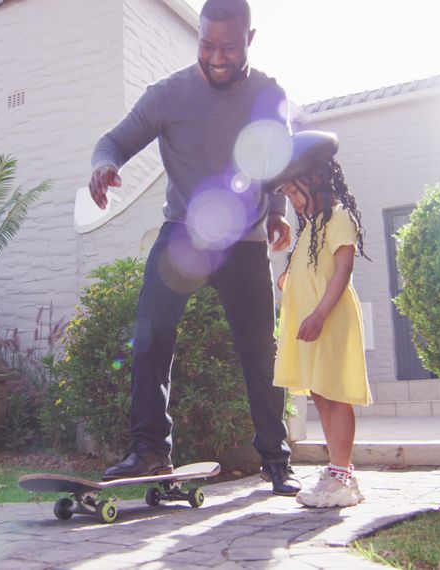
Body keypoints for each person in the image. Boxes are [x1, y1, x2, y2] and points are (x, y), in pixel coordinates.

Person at [89, 0, 301, 495]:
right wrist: (102, 167)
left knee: (259, 352)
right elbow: (112, 142)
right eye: (207, 46)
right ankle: (149, 450)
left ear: (250, 38)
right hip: (183, 232)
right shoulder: (168, 95)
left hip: (243, 240)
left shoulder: (268, 94)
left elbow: (276, 160)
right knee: (150, 335)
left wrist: (276, 214)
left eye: (229, 47)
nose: (218, 57)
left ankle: (277, 459)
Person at [268, 130, 373, 508]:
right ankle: (336, 470)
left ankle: (343, 475)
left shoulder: (339, 216)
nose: (294, 203)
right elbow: (312, 267)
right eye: (289, 197)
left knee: (335, 393)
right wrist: (289, 278)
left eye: (296, 193)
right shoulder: (310, 227)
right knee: (320, 393)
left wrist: (318, 313)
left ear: (315, 181)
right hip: (314, 321)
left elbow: (342, 271)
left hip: (329, 318)